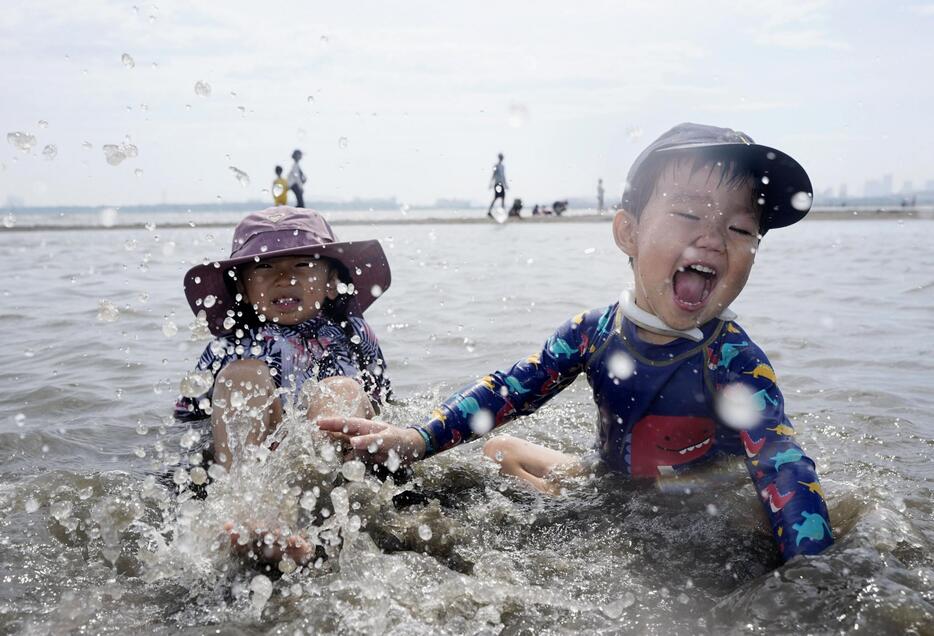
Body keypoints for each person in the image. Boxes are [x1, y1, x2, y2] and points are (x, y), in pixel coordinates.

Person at [320, 123, 834, 562]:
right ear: (627, 233)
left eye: (741, 228)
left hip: (699, 506)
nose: (715, 238)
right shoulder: (595, 332)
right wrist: (415, 439)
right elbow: (507, 392)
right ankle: (589, 520)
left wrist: (812, 568)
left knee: (749, 523)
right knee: (500, 449)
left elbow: (780, 460)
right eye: (688, 215)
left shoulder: (733, 359)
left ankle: (608, 525)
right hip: (610, 483)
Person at [175, 206, 392, 471]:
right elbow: (189, 420)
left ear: (332, 282)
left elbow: (381, 401)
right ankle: (245, 503)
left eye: (302, 264)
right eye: (264, 266)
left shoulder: (353, 333)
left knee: (340, 390)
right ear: (242, 287)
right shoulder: (226, 347)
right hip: (255, 465)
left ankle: (331, 485)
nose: (284, 278)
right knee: (242, 378)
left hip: (332, 455)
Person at [487, 153, 508, 218]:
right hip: (497, 184)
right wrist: (490, 184)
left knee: (503, 198)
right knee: (496, 198)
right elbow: (493, 175)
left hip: (501, 184)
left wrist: (506, 184)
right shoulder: (496, 165)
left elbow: (503, 176)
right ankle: (489, 211)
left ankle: (502, 212)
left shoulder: (503, 166)